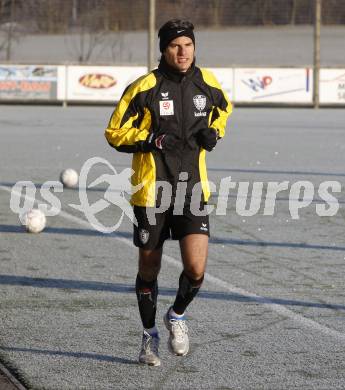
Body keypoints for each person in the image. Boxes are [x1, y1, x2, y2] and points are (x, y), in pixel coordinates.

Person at [105, 19, 232, 366]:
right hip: (151, 191)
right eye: (176, 45)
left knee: (196, 268)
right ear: (163, 49)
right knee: (149, 268)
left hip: (192, 188)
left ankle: (176, 315)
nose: (183, 52)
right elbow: (114, 131)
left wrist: (214, 134)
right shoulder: (144, 87)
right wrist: (149, 139)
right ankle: (148, 337)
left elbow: (223, 111)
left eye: (188, 45)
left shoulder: (207, 83)